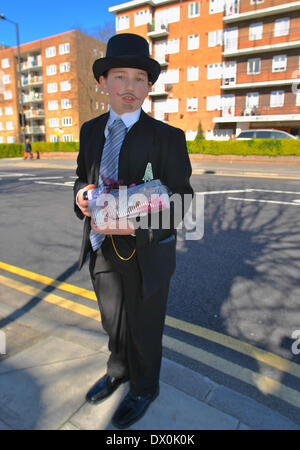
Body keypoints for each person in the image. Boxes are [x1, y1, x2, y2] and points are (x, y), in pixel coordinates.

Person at [73, 33, 193, 429]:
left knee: (144, 326)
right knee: (113, 320)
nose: (130, 87)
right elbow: (80, 178)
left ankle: (144, 387)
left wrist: (137, 218)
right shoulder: (91, 131)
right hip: (101, 247)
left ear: (149, 86)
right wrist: (81, 197)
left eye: (139, 78)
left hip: (146, 252)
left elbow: (182, 198)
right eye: (119, 77)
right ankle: (117, 370)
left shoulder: (168, 138)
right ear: (103, 83)